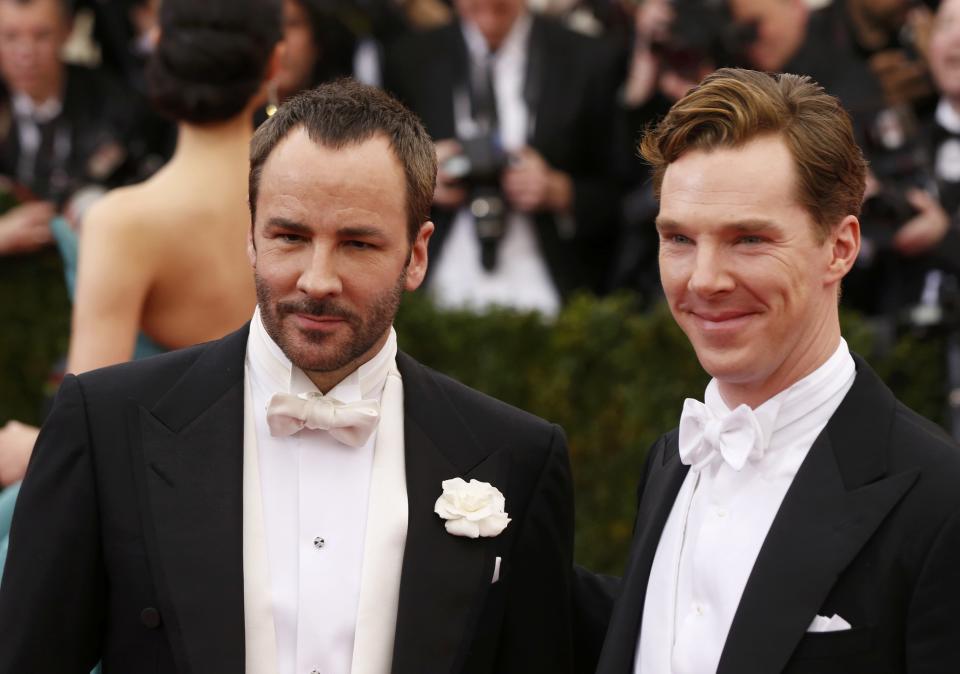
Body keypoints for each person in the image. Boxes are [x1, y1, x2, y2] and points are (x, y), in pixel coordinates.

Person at [0, 79, 578, 674]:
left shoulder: (515, 456)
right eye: (290, 237)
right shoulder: (107, 425)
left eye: (357, 244)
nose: (317, 279)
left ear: (417, 254)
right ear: (251, 237)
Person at [596, 68, 960, 673]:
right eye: (680, 238)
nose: (705, 279)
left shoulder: (941, 500)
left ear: (840, 248)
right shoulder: (670, 461)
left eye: (749, 240)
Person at [0, 0, 278, 486]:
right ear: (273, 65)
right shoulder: (299, 205)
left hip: (158, 488)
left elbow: (84, 427)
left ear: (157, 54)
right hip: (273, 475)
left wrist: (28, 447)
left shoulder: (125, 223)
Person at [383, 0, 623, 315]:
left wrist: (559, 191)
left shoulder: (590, 58)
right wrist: (418, 177)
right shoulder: (411, 58)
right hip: (436, 290)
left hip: (554, 291)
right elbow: (374, 180)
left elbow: (626, 194)